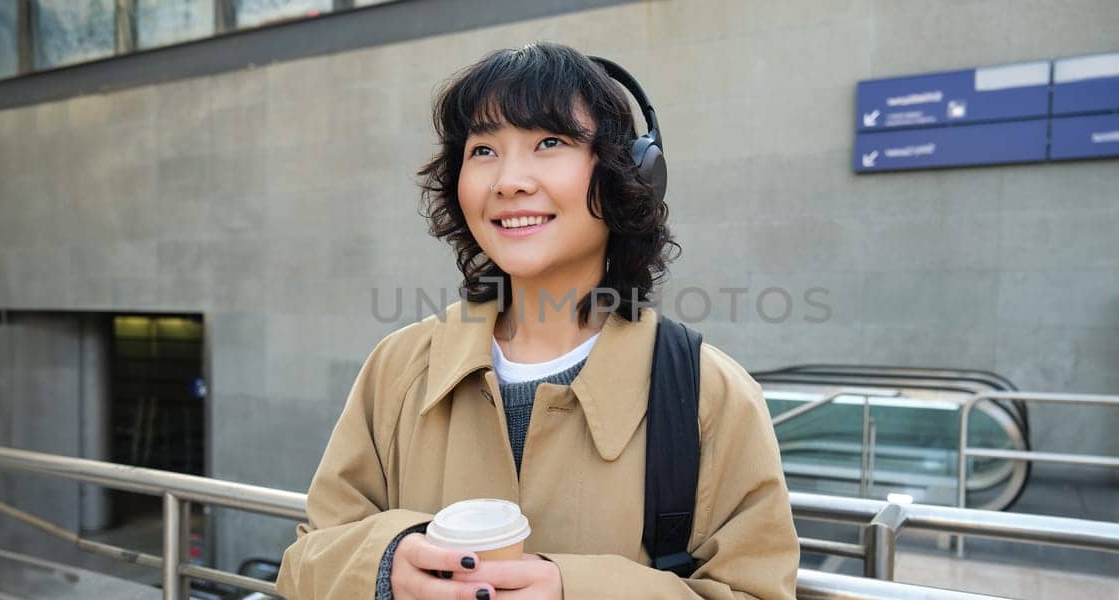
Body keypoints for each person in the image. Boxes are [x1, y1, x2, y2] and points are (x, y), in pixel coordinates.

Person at [277, 41, 798, 599]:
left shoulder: (707, 394)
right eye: (483, 150)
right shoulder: (400, 367)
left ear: (629, 174)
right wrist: (384, 566)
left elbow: (757, 591)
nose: (508, 181)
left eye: (549, 142)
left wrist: (574, 590)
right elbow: (308, 558)